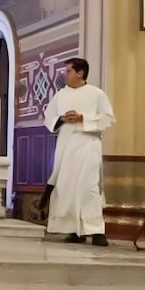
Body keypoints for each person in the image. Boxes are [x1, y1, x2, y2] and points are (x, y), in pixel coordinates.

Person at [40, 57, 115, 247]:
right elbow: (49, 118)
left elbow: (108, 119)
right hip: (66, 146)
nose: (66, 75)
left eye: (69, 71)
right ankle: (74, 230)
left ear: (80, 73)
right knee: (66, 187)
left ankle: (96, 231)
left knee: (89, 188)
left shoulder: (97, 94)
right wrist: (63, 118)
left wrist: (83, 117)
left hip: (87, 145)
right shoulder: (60, 95)